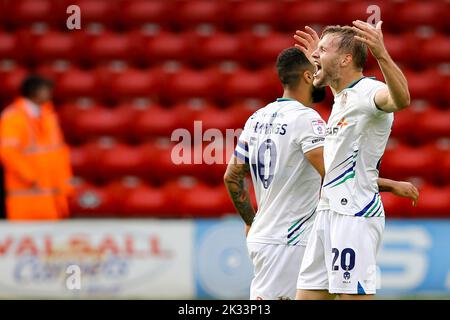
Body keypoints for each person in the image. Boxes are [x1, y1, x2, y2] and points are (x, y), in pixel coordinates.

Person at [223, 47, 418, 300]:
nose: (319, 77)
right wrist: (389, 185)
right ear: (306, 76)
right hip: (290, 238)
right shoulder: (307, 120)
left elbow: (232, 176)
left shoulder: (256, 118)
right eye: (315, 71)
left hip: (265, 234)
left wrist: (251, 220)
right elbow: (334, 172)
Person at [293, 21, 412, 300]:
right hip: (327, 213)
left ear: (346, 59)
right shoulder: (343, 96)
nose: (315, 55)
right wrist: (321, 60)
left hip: (354, 215)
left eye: (323, 49)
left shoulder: (368, 92)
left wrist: (381, 54)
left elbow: (402, 99)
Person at [0, 75, 74, 220]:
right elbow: (7, 152)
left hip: (52, 193)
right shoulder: (13, 117)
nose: (49, 93)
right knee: (26, 238)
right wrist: (30, 176)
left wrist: (65, 183)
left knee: (51, 239)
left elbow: (58, 151)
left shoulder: (48, 116)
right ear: (33, 91)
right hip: (27, 194)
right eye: (45, 90)